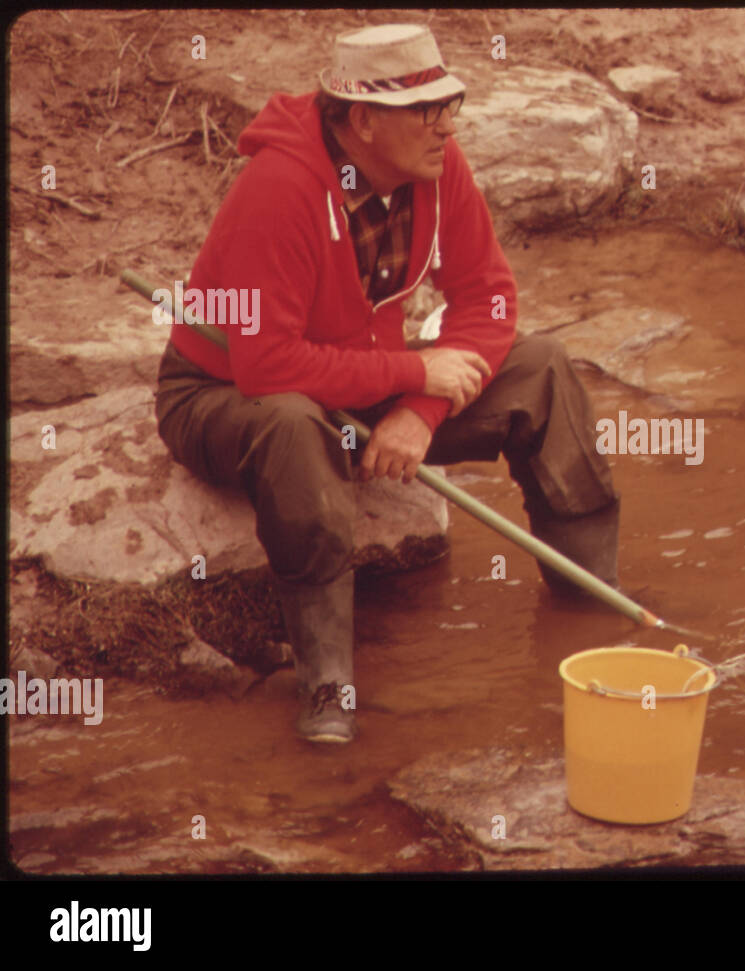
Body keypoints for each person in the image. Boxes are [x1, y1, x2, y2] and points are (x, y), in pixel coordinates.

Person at [152, 23, 619, 745]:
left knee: (544, 369)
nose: (445, 126)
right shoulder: (279, 188)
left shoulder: (438, 166)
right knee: (291, 423)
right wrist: (412, 370)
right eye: (425, 111)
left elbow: (490, 299)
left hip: (356, 387)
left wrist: (421, 413)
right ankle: (328, 688)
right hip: (226, 393)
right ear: (362, 120)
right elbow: (266, 365)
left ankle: (592, 608)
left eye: (448, 104)